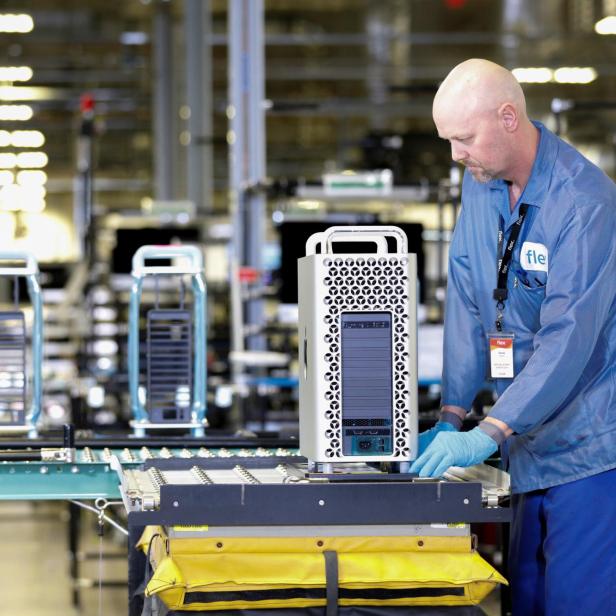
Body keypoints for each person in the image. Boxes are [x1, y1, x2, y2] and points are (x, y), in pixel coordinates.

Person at [410, 59, 616, 615]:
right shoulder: (480, 185)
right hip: (525, 450)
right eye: (448, 140)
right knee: (525, 602)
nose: (456, 154)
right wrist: (453, 414)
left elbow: (568, 337)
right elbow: (467, 295)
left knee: (577, 604)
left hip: (593, 454)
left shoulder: (583, 202)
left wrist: (490, 429)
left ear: (508, 117)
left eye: (463, 138)